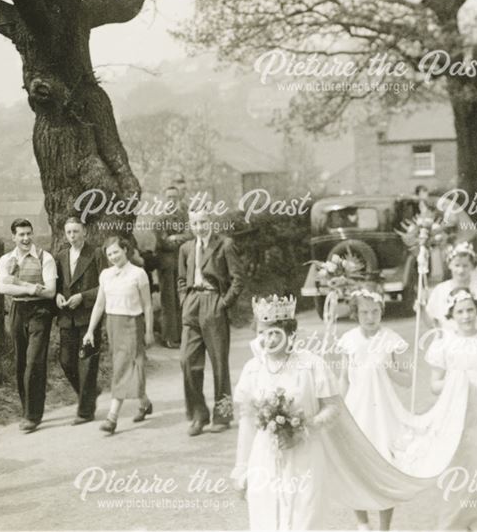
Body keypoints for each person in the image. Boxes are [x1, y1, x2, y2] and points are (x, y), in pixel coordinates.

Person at [231, 296, 436, 530]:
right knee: (266, 517)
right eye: (262, 333)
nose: (268, 339)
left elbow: (334, 407)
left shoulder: (311, 364)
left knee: (303, 519)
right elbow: (247, 420)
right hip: (265, 456)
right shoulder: (252, 370)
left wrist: (303, 429)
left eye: (275, 332)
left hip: (305, 455)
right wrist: (241, 467)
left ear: (289, 333)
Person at [422, 288, 477, 530]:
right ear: (451, 314)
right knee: (458, 466)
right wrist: (455, 381)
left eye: (470, 309)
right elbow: (434, 385)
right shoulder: (445, 345)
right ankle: (455, 523)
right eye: (460, 311)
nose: (466, 316)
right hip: (455, 413)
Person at [337, 288, 410, 531]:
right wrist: (339, 407)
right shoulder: (349, 340)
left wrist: (389, 369)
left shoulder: (391, 339)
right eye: (365, 312)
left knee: (383, 465)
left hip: (383, 412)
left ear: (382, 311)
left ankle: (384, 527)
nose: (370, 317)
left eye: (375, 311)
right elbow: (344, 378)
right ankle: (362, 521)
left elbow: (408, 379)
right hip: (357, 409)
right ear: (355, 314)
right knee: (356, 465)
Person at [178, 209, 246, 436]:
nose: (200, 227)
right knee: (187, 361)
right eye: (195, 223)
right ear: (190, 224)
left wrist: (223, 303)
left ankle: (223, 415)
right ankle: (199, 414)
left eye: (204, 222)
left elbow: (238, 278)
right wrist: (184, 300)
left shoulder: (224, 245)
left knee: (219, 364)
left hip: (214, 303)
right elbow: (181, 279)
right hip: (192, 305)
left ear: (211, 222)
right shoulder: (186, 248)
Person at [83, 236, 154, 435]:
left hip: (133, 324)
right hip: (113, 325)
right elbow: (99, 304)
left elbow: (148, 305)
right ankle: (144, 402)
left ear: (125, 250)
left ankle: (112, 417)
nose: (113, 256)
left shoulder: (138, 274)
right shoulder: (105, 275)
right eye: (109, 254)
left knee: (124, 368)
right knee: (125, 366)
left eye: (116, 252)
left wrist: (149, 331)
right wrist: (90, 330)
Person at [0, 218, 57, 432]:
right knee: (21, 362)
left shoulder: (45, 258)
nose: (26, 238)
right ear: (13, 237)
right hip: (17, 311)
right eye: (21, 234)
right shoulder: (6, 260)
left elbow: (49, 291)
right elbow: (3, 288)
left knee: (34, 362)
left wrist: (18, 284)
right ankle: (27, 410)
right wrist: (30, 288)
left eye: (29, 233)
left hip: (40, 311)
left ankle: (33, 416)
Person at [54, 217, 104, 425]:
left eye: (76, 231)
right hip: (67, 318)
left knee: (88, 363)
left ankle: (85, 411)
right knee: (66, 361)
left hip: (89, 317)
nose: (72, 236)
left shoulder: (96, 253)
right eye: (69, 232)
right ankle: (91, 393)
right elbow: (55, 285)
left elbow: (105, 285)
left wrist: (83, 296)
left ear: (85, 232)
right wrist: (57, 296)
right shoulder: (60, 256)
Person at [153, 185, 190, 348]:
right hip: (166, 263)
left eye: (175, 197)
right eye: (169, 197)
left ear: (179, 198)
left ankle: (184, 335)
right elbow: (163, 242)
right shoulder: (160, 217)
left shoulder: (185, 215)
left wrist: (175, 237)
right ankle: (169, 337)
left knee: (183, 297)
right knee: (168, 299)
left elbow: (191, 235)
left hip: (184, 262)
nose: (172, 200)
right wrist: (181, 240)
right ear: (164, 198)